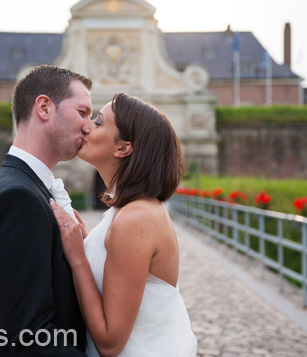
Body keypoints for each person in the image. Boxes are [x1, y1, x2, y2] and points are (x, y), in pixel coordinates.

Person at [50, 92, 197, 356]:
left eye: (99, 122)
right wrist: (87, 243)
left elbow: (110, 343)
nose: (87, 125)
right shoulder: (128, 210)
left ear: (123, 148)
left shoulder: (135, 218)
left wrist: (78, 258)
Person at [0, 64, 92, 355]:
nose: (88, 125)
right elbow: (32, 336)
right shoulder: (16, 197)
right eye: (82, 112)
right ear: (44, 108)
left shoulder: (25, 187)